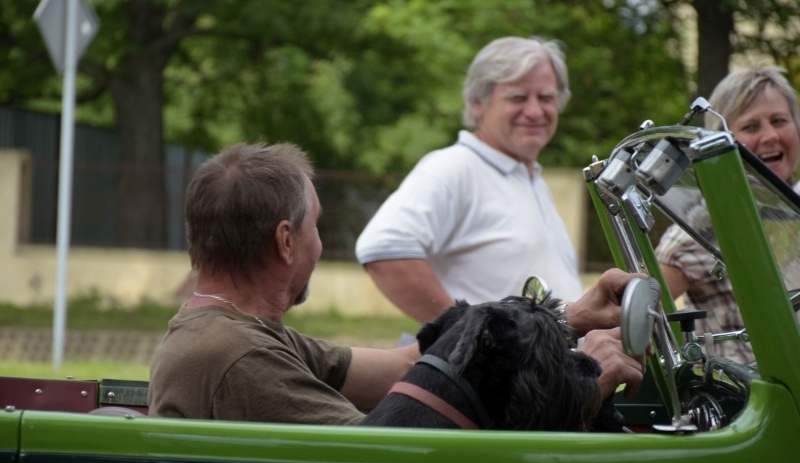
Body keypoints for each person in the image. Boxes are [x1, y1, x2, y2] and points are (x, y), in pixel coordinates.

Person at [148, 142, 646, 425]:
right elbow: (388, 455)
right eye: (314, 226)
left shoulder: (237, 331)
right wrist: (585, 382)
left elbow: (402, 369)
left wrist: (568, 319)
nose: (317, 244)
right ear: (285, 241)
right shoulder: (236, 356)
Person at [355, 36, 583, 324]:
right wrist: (463, 333)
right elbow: (383, 249)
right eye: (518, 97)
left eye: (546, 98)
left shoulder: (530, 177)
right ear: (478, 103)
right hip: (491, 370)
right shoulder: (454, 168)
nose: (536, 111)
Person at [656, 66, 800, 364]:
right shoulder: (705, 225)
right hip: (745, 403)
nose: (771, 135)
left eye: (779, 121)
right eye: (751, 127)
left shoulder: (792, 208)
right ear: (720, 143)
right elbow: (638, 314)